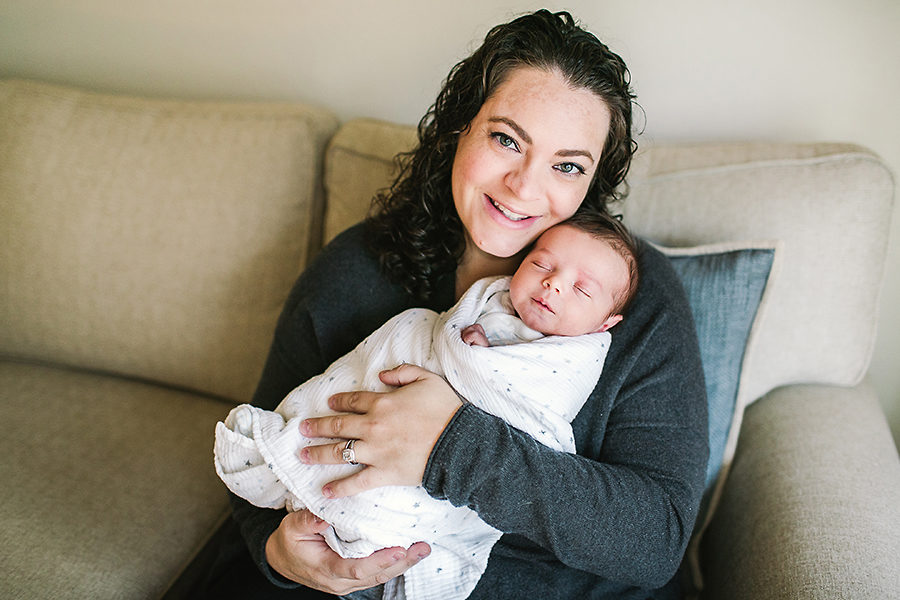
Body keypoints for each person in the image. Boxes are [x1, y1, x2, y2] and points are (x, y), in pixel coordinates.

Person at [202, 9, 707, 600]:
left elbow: (658, 538)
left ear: (591, 186)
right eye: (505, 139)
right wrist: (279, 554)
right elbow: (260, 450)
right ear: (458, 130)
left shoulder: (633, 299)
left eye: (566, 165)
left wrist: (449, 443)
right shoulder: (356, 271)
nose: (523, 186)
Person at [213, 214, 639, 600]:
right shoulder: (361, 263)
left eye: (581, 289)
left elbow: (655, 541)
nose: (554, 284)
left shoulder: (581, 348)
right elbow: (268, 425)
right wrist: (279, 555)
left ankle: (366, 526)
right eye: (542, 265)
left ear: (606, 324)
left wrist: (449, 432)